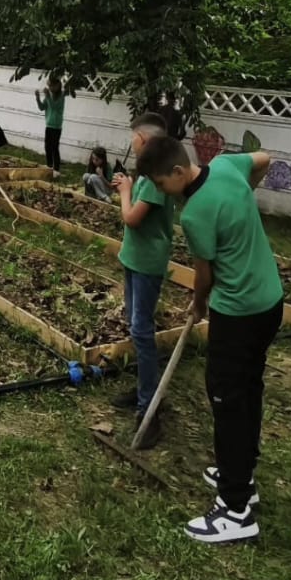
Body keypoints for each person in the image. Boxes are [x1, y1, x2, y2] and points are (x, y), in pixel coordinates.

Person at [138, 134, 284, 544]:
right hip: (270, 302)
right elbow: (265, 156)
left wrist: (199, 304)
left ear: (178, 171)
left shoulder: (196, 213)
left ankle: (235, 510)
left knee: (227, 400)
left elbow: (205, 274)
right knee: (248, 388)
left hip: (238, 313)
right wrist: (241, 199)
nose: (162, 193)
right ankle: (242, 473)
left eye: (161, 184)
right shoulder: (226, 167)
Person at [111, 163, 181, 450]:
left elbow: (131, 218)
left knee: (141, 331)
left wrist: (125, 191)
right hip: (134, 258)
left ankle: (149, 407)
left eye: (136, 142)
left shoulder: (155, 180)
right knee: (136, 327)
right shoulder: (146, 175)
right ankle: (146, 389)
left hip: (146, 264)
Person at [35, 77, 67, 177]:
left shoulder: (61, 96)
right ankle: (49, 166)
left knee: (54, 147)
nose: (50, 88)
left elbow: (54, 106)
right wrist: (37, 98)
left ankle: (56, 169)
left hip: (56, 126)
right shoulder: (48, 96)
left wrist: (48, 96)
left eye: (52, 86)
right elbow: (42, 107)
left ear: (58, 85)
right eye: (49, 86)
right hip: (48, 125)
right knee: (47, 147)